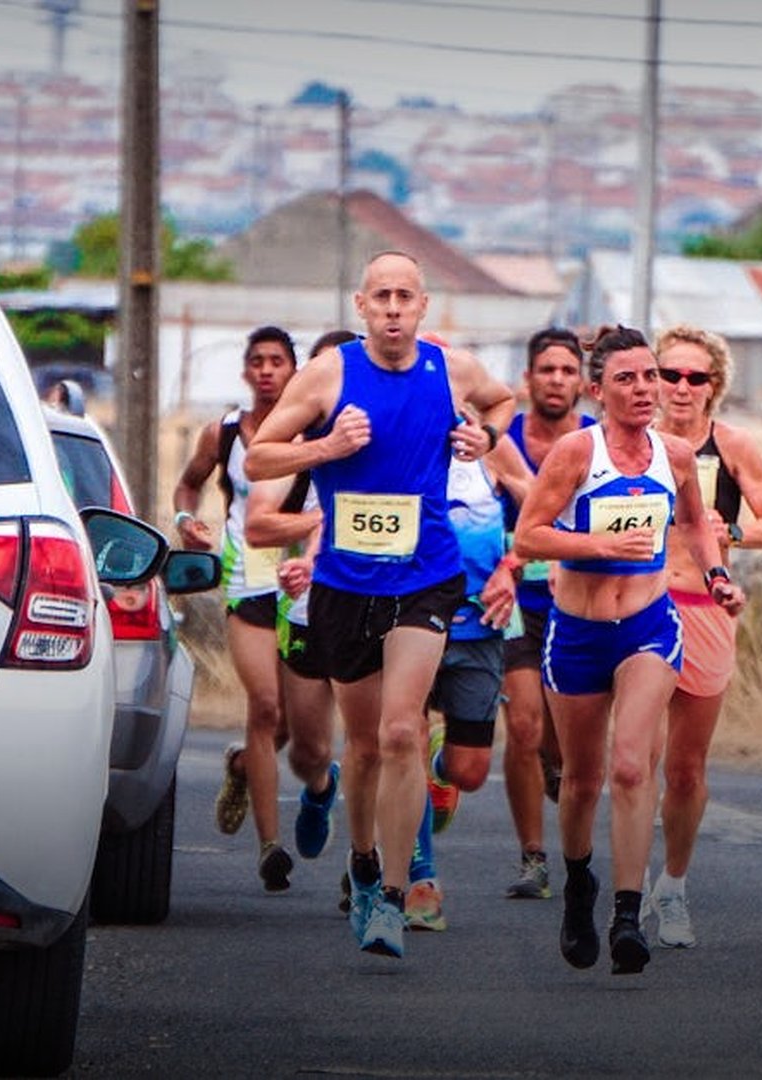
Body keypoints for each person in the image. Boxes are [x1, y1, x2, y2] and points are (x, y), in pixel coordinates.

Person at [246, 251, 515, 958]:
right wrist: (327, 447)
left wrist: (485, 438)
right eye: (381, 297)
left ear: (423, 306)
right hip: (345, 585)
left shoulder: (451, 369)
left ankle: (396, 895)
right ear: (361, 307)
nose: (394, 308)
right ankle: (362, 860)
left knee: (402, 733)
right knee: (363, 746)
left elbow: (503, 401)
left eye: (405, 296)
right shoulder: (328, 374)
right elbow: (258, 457)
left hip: (426, 576)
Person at [512, 326, 743, 976]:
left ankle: (626, 913)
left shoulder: (675, 454)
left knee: (633, 767)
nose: (645, 389)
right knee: (581, 780)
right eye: (627, 379)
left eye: (650, 376)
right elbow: (529, 536)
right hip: (578, 632)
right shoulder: (576, 453)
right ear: (597, 390)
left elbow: (693, 521)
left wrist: (717, 577)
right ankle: (579, 882)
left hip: (648, 624)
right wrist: (598, 546)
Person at [644, 324, 762, 947]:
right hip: (642, 605)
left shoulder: (730, 446)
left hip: (705, 607)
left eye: (695, 377)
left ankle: (672, 885)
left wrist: (732, 534)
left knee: (685, 769)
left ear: (714, 386)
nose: (681, 387)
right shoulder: (632, 443)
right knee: (637, 759)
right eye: (670, 374)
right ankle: (629, 887)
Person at [173, 325, 310, 888]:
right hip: (246, 578)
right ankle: (270, 847)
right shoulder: (225, 432)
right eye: (258, 361)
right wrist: (186, 520)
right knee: (265, 707)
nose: (267, 371)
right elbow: (188, 485)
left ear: (294, 370)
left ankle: (239, 766)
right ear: (246, 371)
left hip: (302, 581)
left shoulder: (312, 432)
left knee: (295, 726)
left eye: (277, 361)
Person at [235, 329, 358, 892]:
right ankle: (319, 787)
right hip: (307, 609)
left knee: (383, 738)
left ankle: (369, 869)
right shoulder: (298, 450)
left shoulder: (394, 445)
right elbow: (258, 526)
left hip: (380, 609)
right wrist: (321, 525)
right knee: (309, 749)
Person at [401, 447, 527, 931]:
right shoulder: (402, 435)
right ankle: (421, 880)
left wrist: (511, 566)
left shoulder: (488, 445)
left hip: (479, 623)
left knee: (468, 771)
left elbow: (542, 507)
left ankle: (441, 766)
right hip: (409, 616)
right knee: (403, 740)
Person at [495, 326, 596, 901]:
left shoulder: (597, 440)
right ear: (527, 379)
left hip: (576, 599)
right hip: (514, 601)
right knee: (524, 726)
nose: (556, 380)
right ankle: (533, 855)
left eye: (567, 371)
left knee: (561, 745)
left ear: (582, 382)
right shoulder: (503, 437)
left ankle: (556, 773)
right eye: (546, 370)